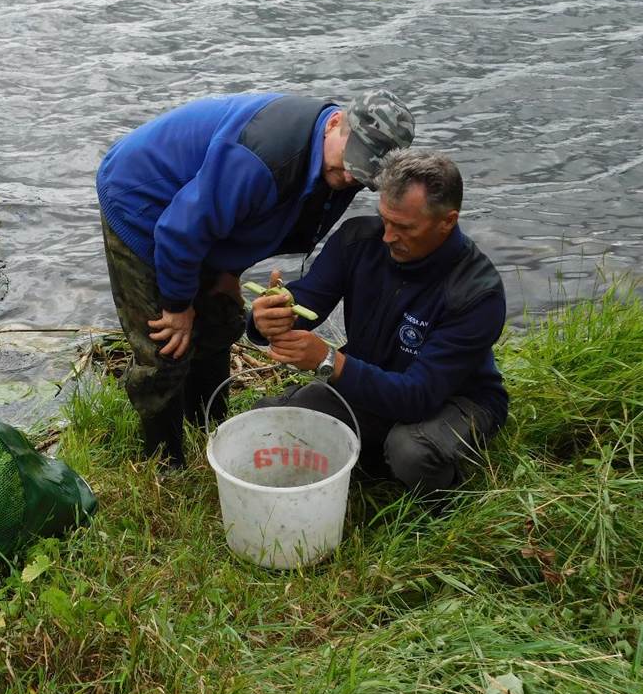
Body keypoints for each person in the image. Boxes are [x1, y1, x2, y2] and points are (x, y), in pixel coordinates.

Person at [97, 90, 415, 468]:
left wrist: (228, 273)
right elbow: (178, 232)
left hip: (194, 213)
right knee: (167, 346)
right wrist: (178, 305)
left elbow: (259, 217)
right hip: (143, 201)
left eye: (362, 174)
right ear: (335, 124)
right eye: (349, 163)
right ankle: (164, 463)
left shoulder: (337, 168)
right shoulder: (263, 159)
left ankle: (209, 428)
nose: (349, 176)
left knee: (220, 320)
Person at [248, 149, 507, 493]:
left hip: (455, 400)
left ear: (447, 221)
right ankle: (369, 455)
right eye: (384, 218)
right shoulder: (358, 241)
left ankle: (446, 500)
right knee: (268, 419)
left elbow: (419, 396)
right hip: (370, 383)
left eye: (403, 227)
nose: (387, 236)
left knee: (410, 450)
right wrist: (269, 318)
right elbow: (306, 300)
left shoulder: (477, 292)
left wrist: (328, 362)